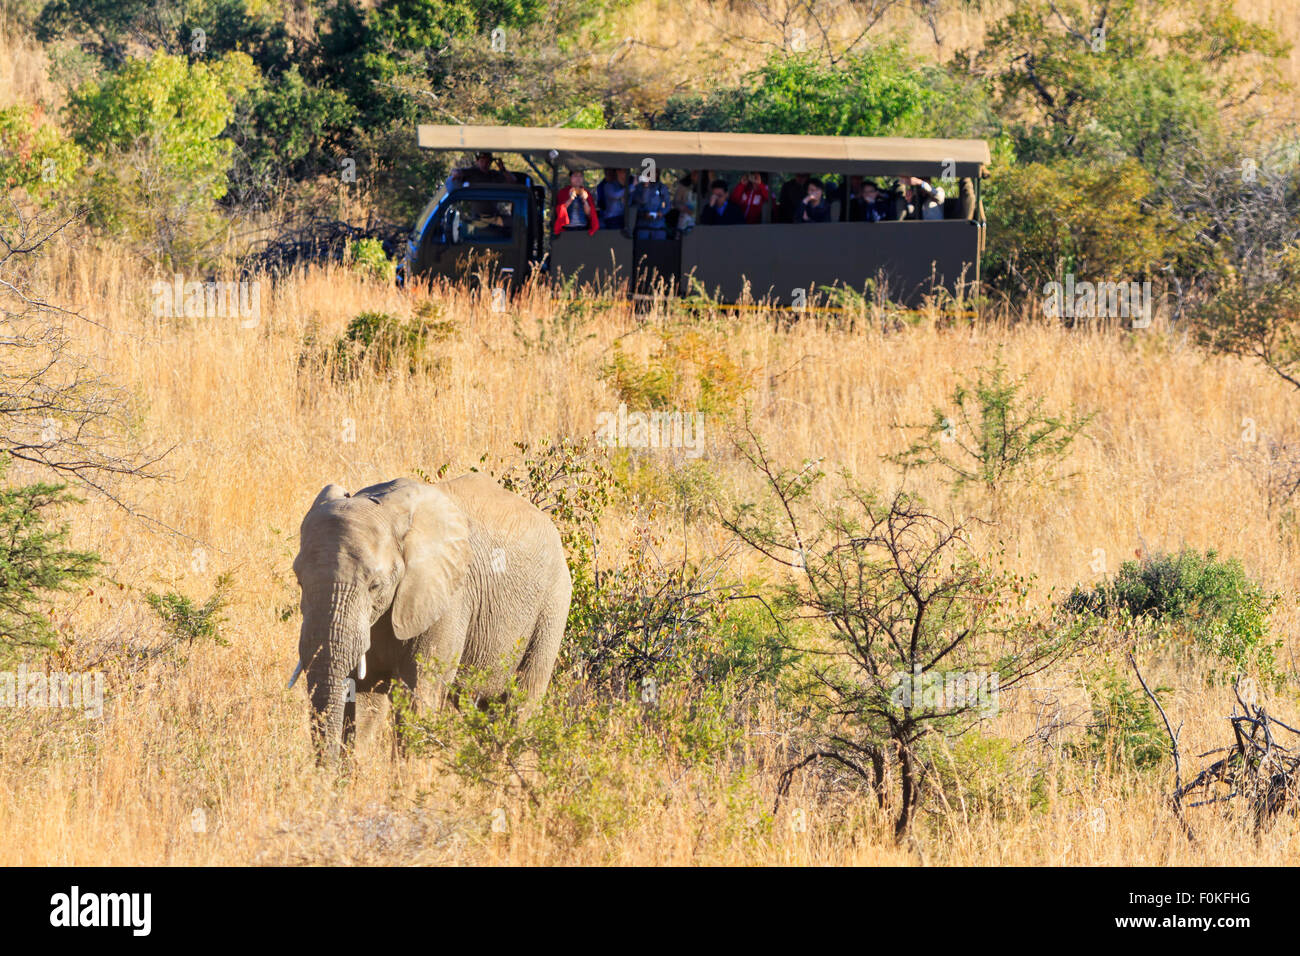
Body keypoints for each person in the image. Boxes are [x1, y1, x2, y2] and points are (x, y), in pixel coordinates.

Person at [625, 174, 673, 239]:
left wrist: (661, 213)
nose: (652, 175)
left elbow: (668, 205)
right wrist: (646, 186)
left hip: (658, 226)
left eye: (655, 172)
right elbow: (641, 201)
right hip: (642, 225)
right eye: (649, 173)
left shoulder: (662, 187)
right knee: (642, 247)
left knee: (659, 247)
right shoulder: (638, 187)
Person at [553, 170, 599, 235]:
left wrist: (585, 200)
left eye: (580, 176)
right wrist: (571, 199)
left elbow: (589, 214)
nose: (578, 179)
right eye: (575, 176)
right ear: (570, 178)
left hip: (582, 228)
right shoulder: (563, 192)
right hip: (567, 229)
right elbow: (560, 211)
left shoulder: (587, 193)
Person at [449, 151, 517, 188]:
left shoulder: (494, 175)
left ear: (490, 163)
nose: (484, 164)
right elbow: (455, 172)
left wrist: (503, 169)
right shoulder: (471, 173)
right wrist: (456, 173)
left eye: (487, 162)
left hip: (494, 212)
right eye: (482, 161)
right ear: (477, 161)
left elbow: (513, 182)